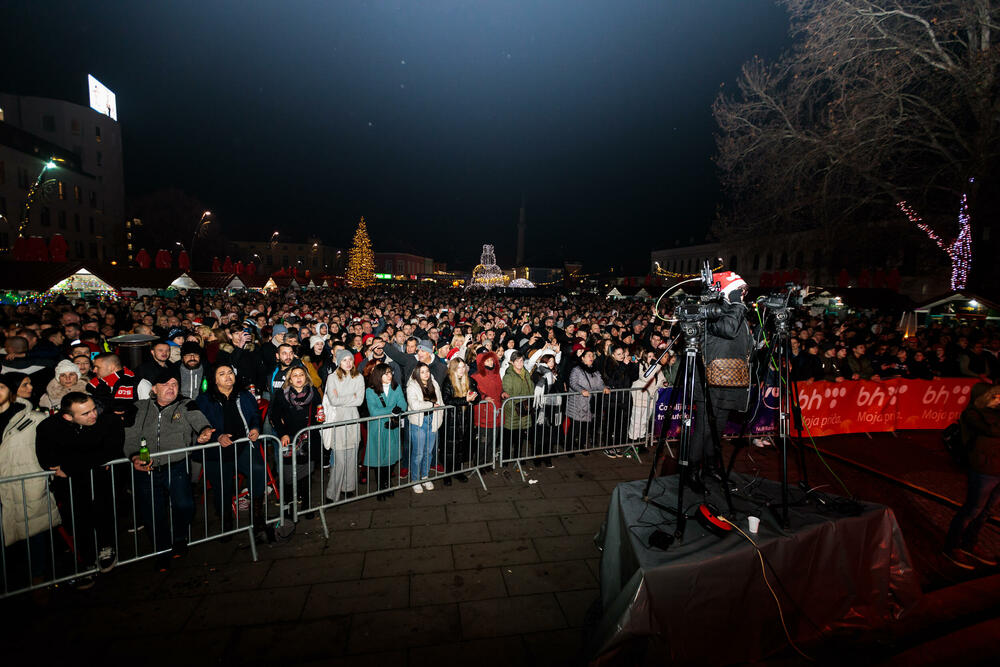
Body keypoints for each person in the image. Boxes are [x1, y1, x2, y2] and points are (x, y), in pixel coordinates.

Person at [124, 366, 214, 570]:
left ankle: (180, 537)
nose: (171, 388)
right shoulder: (139, 407)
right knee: (153, 512)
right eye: (165, 384)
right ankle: (162, 549)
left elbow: (199, 420)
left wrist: (205, 431)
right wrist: (134, 456)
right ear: (154, 388)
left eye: (174, 384)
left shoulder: (186, 404)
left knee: (184, 505)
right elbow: (129, 436)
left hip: (177, 464)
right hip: (147, 467)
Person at [35, 392, 124, 574]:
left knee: (104, 514)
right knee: (78, 520)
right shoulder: (49, 428)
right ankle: (86, 560)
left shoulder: (108, 421)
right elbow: (49, 461)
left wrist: (70, 465)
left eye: (93, 409)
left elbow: (111, 450)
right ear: (68, 416)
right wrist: (91, 459)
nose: (93, 415)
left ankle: (106, 548)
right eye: (85, 413)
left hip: (100, 482)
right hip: (71, 487)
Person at [688, 272, 754, 491]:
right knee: (704, 429)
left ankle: (711, 467)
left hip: (730, 380)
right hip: (711, 380)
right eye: (738, 290)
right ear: (728, 291)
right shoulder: (714, 311)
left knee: (718, 429)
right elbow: (727, 329)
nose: (742, 295)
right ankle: (692, 472)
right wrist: (735, 301)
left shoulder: (736, 312)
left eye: (742, 292)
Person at [196, 364, 272, 543]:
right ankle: (226, 523)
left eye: (230, 373)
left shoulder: (244, 395)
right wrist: (217, 437)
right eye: (222, 374)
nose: (228, 377)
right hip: (218, 450)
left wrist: (254, 428)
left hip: (243, 445)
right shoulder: (204, 400)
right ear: (214, 379)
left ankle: (257, 517)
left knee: (259, 469)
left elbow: (254, 415)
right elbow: (201, 425)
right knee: (222, 487)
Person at [0, 374, 61, 588]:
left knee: (34, 537)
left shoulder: (34, 418)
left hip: (27, 487)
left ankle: (39, 580)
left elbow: (53, 447)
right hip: (2, 492)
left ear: (10, 391)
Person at [943, 384, 1000, 569]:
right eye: (995, 397)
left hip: (998, 467)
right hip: (984, 468)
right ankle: (952, 546)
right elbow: (991, 430)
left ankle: (969, 543)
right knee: (973, 508)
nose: (999, 400)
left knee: (987, 511)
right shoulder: (973, 414)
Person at [269, 365, 323, 505]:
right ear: (290, 379)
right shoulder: (282, 395)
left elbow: (319, 411)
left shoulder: (313, 393)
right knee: (288, 472)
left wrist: (320, 418)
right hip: (290, 438)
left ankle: (305, 503)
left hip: (309, 438)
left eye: (301, 375)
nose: (298, 378)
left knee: (306, 471)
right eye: (295, 375)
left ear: (306, 377)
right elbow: (274, 416)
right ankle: (287, 503)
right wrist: (282, 434)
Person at [322, 349, 365, 501]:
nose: (348, 363)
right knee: (339, 459)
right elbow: (333, 400)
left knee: (352, 456)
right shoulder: (332, 377)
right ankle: (332, 493)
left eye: (350, 360)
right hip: (338, 421)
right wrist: (350, 396)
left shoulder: (358, 377)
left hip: (353, 419)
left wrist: (343, 397)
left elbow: (359, 400)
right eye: (344, 360)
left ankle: (349, 487)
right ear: (339, 361)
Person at [364, 362, 408, 500]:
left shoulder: (396, 387)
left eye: (390, 373)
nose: (390, 376)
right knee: (379, 458)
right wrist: (393, 410)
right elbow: (374, 411)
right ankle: (380, 487)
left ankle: (388, 483)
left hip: (392, 426)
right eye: (386, 373)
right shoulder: (370, 391)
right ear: (379, 375)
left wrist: (396, 411)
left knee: (390, 457)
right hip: (377, 428)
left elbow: (403, 405)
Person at [405, 362, 444, 494]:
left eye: (427, 371)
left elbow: (441, 402)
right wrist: (431, 405)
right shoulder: (412, 386)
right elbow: (415, 405)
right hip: (419, 422)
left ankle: (425, 476)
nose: (426, 374)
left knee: (429, 452)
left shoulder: (434, 383)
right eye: (422, 372)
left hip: (433, 420)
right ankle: (415, 480)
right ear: (416, 373)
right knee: (418, 453)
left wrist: (439, 418)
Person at [440, 357, 477, 483]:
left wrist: (474, 397)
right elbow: (447, 400)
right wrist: (464, 400)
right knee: (450, 448)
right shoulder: (448, 381)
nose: (461, 370)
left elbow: (477, 395)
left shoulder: (469, 380)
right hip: (451, 419)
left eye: (463, 367)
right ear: (453, 368)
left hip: (465, 419)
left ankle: (458, 471)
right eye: (459, 367)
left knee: (461, 447)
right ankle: (447, 474)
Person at [567, 349, 609, 453]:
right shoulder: (576, 370)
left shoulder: (595, 371)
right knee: (576, 426)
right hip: (578, 402)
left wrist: (604, 387)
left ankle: (581, 445)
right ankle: (569, 447)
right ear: (583, 358)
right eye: (589, 355)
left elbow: (600, 383)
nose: (591, 357)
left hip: (590, 403)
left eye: (592, 356)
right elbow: (573, 383)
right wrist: (581, 390)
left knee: (585, 427)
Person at [501, 351, 535, 463]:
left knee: (520, 437)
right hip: (513, 412)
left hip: (524, 410)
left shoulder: (526, 374)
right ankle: (505, 459)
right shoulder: (508, 376)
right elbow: (507, 394)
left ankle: (518, 458)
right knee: (509, 437)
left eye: (521, 360)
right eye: (517, 361)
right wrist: (515, 408)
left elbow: (531, 389)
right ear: (512, 362)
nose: (520, 363)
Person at [530, 351, 562, 468]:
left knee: (550, 434)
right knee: (539, 434)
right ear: (544, 361)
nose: (552, 364)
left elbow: (561, 389)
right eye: (549, 361)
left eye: (553, 361)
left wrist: (555, 381)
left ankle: (547, 457)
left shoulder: (556, 373)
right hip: (541, 408)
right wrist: (550, 382)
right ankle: (537, 457)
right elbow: (539, 389)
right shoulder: (538, 373)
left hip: (552, 408)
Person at [472, 351, 503, 465]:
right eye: (487, 360)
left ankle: (488, 462)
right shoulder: (476, 376)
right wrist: (484, 397)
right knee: (484, 440)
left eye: (491, 360)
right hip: (484, 413)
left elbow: (499, 387)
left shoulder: (496, 374)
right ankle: (479, 463)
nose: (491, 362)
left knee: (492, 439)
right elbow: (474, 391)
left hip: (496, 411)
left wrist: (503, 393)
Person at [88, 352, 140, 421]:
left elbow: (146, 410)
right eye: (94, 367)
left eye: (97, 367)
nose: (94, 371)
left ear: (111, 367)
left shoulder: (138, 383)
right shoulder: (93, 385)